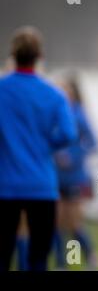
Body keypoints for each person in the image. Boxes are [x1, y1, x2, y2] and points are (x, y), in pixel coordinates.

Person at [0, 26, 77, 271]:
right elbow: (68, 134)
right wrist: (44, 145)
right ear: (39, 56)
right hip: (41, 185)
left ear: (13, 55)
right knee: (39, 260)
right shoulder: (53, 94)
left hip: (6, 185)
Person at [53, 72, 98, 270]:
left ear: (73, 91)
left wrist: (75, 156)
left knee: (73, 223)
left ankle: (90, 257)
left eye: (65, 88)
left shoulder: (79, 114)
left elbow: (92, 142)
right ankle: (62, 263)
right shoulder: (55, 112)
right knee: (56, 222)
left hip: (74, 176)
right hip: (56, 176)